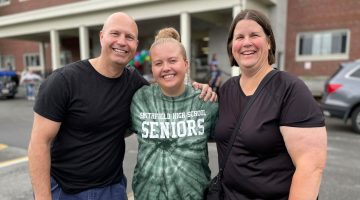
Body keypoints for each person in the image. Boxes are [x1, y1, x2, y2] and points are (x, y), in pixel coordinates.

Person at [27, 12, 215, 200]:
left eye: (129, 37)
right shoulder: (64, 81)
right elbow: (39, 143)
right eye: (115, 34)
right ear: (102, 37)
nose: (122, 42)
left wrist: (196, 88)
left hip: (113, 189)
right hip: (66, 191)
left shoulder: (136, 85)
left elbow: (165, 88)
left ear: (135, 45)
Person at [214, 9, 327, 200]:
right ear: (232, 45)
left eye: (254, 35)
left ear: (269, 42)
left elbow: (311, 168)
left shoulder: (290, 89)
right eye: (239, 37)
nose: (246, 42)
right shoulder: (226, 90)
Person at [130, 27, 218, 200]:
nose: (166, 68)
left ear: (185, 64)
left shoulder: (205, 101)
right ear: (152, 67)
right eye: (158, 63)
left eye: (172, 61)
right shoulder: (140, 99)